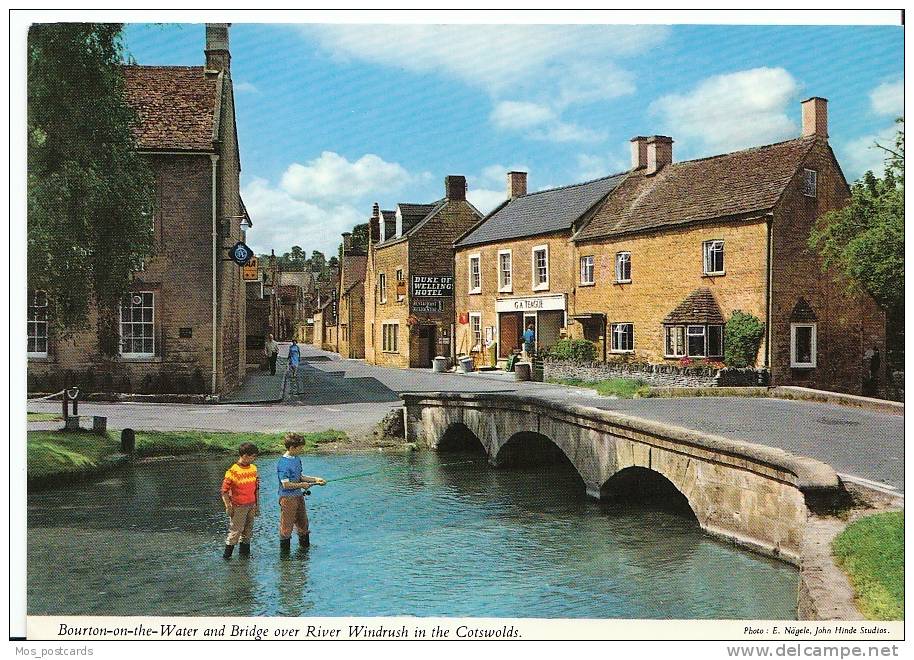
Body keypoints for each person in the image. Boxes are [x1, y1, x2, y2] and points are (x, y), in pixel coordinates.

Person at [277, 433, 326, 554]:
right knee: (286, 528)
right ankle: (285, 559)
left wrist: (315, 480)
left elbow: (300, 477)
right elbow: (286, 484)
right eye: (300, 448)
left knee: (303, 524)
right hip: (287, 499)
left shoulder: (297, 459)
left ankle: (304, 554)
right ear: (292, 448)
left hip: (298, 496)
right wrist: (302, 485)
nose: (302, 450)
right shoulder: (283, 464)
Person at [221, 442, 260, 560]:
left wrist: (257, 506)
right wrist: (228, 506)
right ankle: (226, 558)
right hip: (238, 507)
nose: (254, 459)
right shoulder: (233, 471)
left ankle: (244, 559)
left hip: (251, 505)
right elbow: (224, 491)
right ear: (244, 455)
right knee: (235, 532)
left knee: (248, 532)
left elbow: (256, 488)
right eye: (252, 456)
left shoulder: (253, 468)